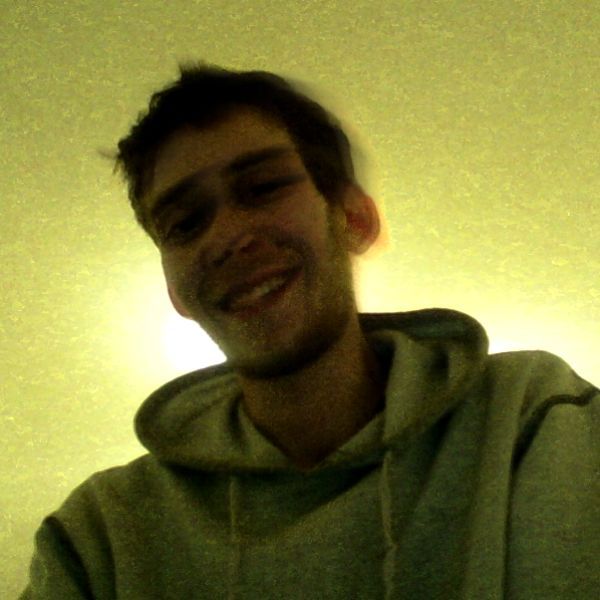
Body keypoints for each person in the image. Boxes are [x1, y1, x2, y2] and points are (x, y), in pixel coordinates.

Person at [20, 62, 599, 599]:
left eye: (263, 187)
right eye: (185, 222)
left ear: (354, 219)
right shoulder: (100, 536)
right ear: (176, 293)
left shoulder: (533, 419)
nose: (228, 236)